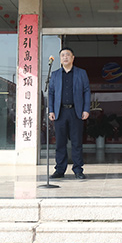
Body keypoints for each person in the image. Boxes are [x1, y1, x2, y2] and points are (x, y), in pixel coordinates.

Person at [48, 47, 91, 179]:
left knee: (76, 142)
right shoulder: (55, 74)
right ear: (60, 59)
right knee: (60, 143)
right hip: (60, 112)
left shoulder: (81, 73)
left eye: (68, 55)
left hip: (75, 111)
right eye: (62, 55)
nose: (65, 57)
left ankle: (78, 170)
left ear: (73, 58)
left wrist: (86, 109)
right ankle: (59, 170)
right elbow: (51, 93)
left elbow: (86, 91)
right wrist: (51, 110)